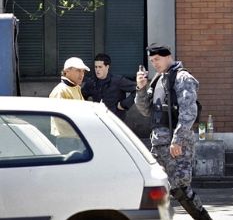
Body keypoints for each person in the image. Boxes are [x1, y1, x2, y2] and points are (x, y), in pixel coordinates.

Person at [135, 43, 211, 220]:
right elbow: (146, 110)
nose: (155, 63)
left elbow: (188, 112)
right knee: (155, 187)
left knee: (181, 189)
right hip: (158, 146)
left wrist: (178, 140)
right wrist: (140, 88)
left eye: (157, 59)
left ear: (168, 56)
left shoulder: (182, 78)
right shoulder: (158, 79)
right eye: (152, 60)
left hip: (176, 146)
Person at [49, 57, 90, 152]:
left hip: (78, 138)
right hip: (67, 140)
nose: (82, 74)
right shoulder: (60, 91)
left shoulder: (76, 88)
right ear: (67, 71)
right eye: (78, 71)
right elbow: (60, 118)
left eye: (83, 71)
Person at [81, 53, 137, 120]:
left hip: (116, 121)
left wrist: (124, 104)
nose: (97, 70)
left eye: (100, 67)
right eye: (96, 67)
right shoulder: (92, 82)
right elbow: (81, 96)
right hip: (98, 120)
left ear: (107, 67)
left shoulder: (118, 81)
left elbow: (138, 89)